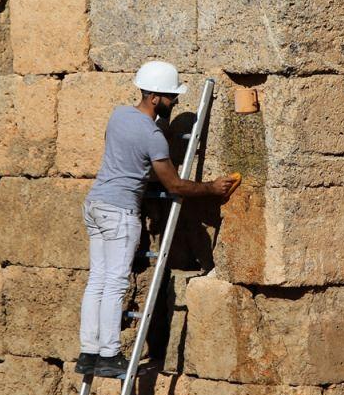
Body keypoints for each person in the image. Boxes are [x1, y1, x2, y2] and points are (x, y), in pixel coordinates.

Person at [75, 61, 237, 378]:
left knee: (97, 281)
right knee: (115, 284)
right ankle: (108, 354)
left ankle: (88, 353)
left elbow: (127, 158)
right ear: (154, 98)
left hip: (95, 205)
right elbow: (174, 184)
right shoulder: (153, 136)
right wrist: (210, 189)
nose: (174, 102)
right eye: (170, 97)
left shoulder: (118, 115)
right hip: (120, 212)